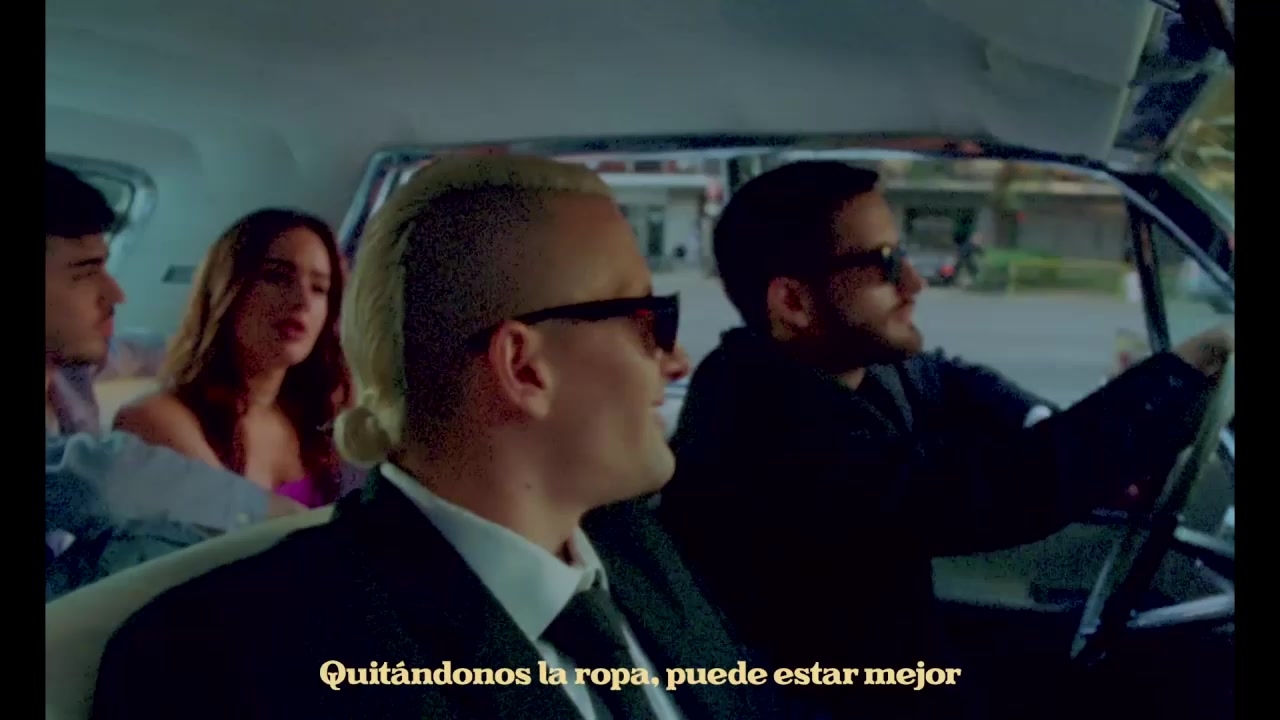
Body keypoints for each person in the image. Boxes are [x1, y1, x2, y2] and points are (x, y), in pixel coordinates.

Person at [93, 155, 781, 719]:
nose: (677, 361)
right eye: (651, 321)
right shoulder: (227, 664)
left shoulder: (634, 548)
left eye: (320, 287)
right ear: (523, 368)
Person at [656, 161, 1231, 717]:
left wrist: (1039, 420)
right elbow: (997, 492)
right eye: (886, 264)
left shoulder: (846, 366)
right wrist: (1185, 368)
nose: (915, 282)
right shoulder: (759, 428)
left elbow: (950, 378)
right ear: (793, 302)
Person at [45, 161, 293, 600]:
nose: (115, 294)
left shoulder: (69, 373)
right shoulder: (96, 461)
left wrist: (228, 350)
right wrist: (288, 520)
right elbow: (99, 478)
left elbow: (142, 350)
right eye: (84, 273)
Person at [114, 209, 357, 508]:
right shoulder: (155, 418)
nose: (302, 301)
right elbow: (236, 525)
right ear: (228, 288)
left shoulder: (319, 420)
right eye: (277, 277)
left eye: (319, 288)